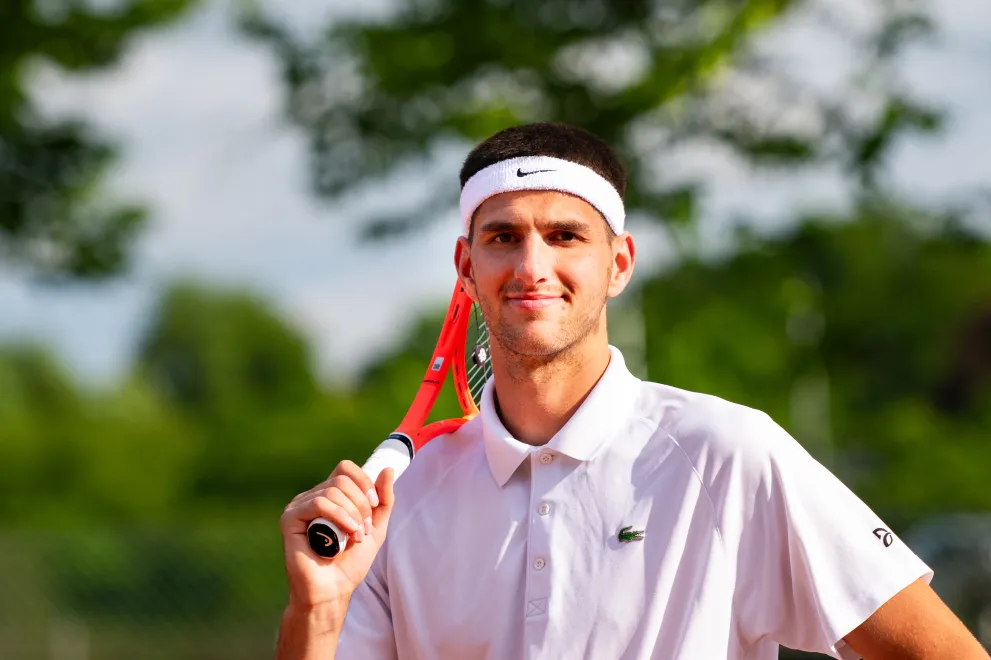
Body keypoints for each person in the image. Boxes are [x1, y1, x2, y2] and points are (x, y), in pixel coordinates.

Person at [275, 122, 988, 659]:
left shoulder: (728, 452)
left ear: (617, 263)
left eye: (564, 236)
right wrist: (318, 608)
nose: (531, 264)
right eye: (502, 237)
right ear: (465, 265)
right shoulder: (397, 498)